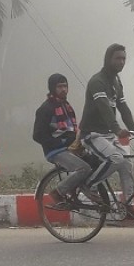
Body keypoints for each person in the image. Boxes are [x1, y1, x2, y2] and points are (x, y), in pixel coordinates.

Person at [79, 43, 134, 222]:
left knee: (126, 164)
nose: (122, 62)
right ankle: (88, 185)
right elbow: (104, 109)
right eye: (118, 58)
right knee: (116, 158)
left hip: (107, 134)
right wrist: (118, 130)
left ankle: (129, 207)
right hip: (92, 134)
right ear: (108, 59)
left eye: (124, 58)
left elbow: (123, 108)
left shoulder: (116, 82)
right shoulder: (97, 82)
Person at [32, 73, 96, 204]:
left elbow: (71, 130)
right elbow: (37, 135)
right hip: (55, 151)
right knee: (83, 168)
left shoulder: (66, 106)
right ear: (52, 88)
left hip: (70, 148)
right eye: (60, 87)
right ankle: (58, 192)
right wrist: (59, 142)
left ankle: (78, 191)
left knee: (96, 162)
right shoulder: (45, 109)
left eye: (65, 86)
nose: (63, 90)